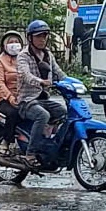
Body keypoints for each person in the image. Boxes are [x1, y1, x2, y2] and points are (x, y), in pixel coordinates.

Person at [15, 19, 67, 168]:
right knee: (43, 115)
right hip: (27, 101)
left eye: (44, 35)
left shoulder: (48, 54)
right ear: (30, 38)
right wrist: (40, 81)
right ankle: (30, 154)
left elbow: (58, 72)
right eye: (38, 36)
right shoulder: (23, 56)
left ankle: (49, 144)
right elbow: (25, 75)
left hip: (43, 99)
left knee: (64, 112)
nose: (42, 39)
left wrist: (73, 82)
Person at [0, 31, 24, 133]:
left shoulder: (24, 60)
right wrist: (10, 97)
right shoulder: (0, 61)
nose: (14, 44)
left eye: (16, 42)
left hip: (23, 96)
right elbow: (0, 83)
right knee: (13, 113)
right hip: (5, 99)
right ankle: (7, 139)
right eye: (11, 42)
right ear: (4, 45)